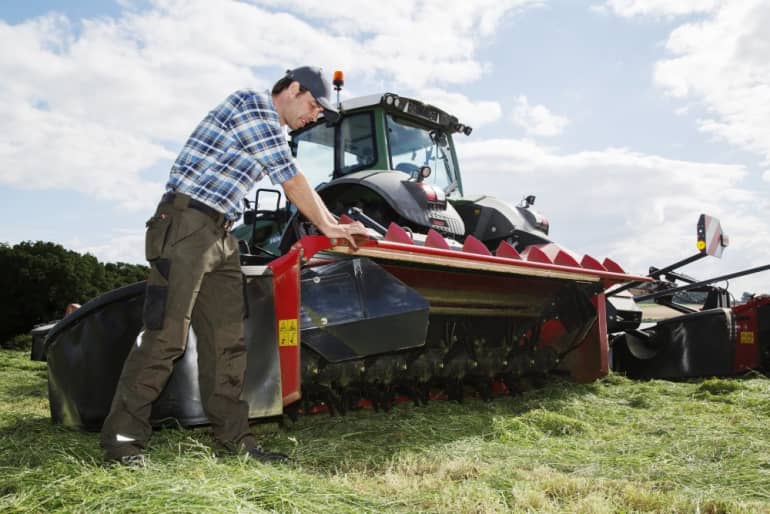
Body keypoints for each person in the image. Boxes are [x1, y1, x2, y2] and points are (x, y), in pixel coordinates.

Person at [100, 66, 368, 466]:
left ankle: (234, 441)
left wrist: (329, 223)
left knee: (228, 342)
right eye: (312, 105)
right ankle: (122, 441)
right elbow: (289, 178)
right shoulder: (251, 105)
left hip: (222, 233)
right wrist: (329, 225)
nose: (312, 116)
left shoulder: (273, 130)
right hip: (186, 223)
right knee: (166, 337)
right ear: (292, 89)